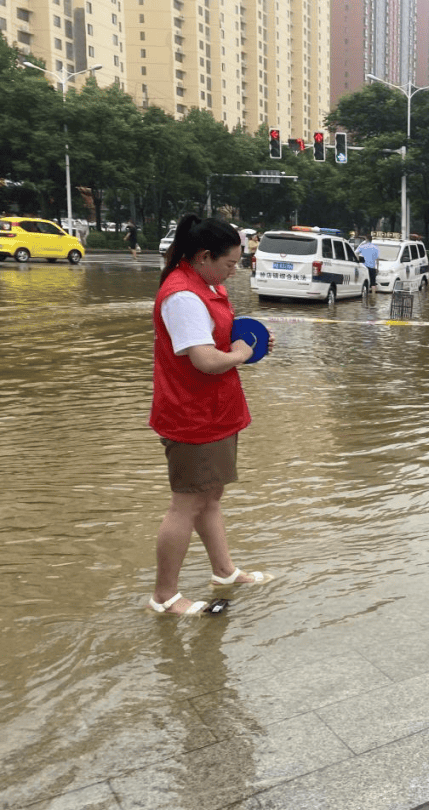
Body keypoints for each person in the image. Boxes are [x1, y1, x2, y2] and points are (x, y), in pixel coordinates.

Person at [148, 214, 273, 615]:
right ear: (204, 256)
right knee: (186, 505)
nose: (234, 271)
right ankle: (164, 597)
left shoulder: (207, 285)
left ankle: (224, 572)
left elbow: (217, 338)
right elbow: (204, 360)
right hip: (192, 415)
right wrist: (241, 353)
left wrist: (248, 341)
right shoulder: (183, 296)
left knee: (210, 497)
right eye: (230, 263)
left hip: (215, 410)